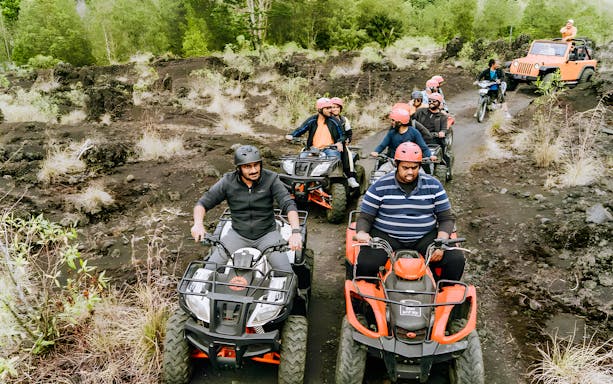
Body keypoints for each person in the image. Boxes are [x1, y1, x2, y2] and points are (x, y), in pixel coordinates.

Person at [354, 142, 465, 282]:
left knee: (456, 260)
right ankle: (370, 298)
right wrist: (362, 233)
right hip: (386, 237)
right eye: (405, 168)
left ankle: (441, 293)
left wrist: (441, 243)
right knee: (366, 264)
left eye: (414, 167)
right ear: (396, 164)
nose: (410, 172)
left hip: (424, 237)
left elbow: (446, 218)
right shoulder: (379, 186)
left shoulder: (434, 185)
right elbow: (365, 217)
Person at [191, 145, 303, 272]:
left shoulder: (271, 179)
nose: (254, 170)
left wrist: (295, 232)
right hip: (238, 234)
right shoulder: (228, 181)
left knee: (286, 274)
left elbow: (288, 204)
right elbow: (203, 203)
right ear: (238, 168)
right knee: (208, 270)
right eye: (247, 166)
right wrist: (198, 224)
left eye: (256, 165)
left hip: (267, 235)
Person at [370, 106, 435, 165]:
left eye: (393, 120)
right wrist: (376, 152)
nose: (391, 122)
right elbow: (382, 145)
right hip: (393, 162)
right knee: (379, 174)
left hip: (411, 162)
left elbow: (423, 147)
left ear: (399, 122)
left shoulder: (414, 132)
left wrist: (430, 156)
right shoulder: (391, 133)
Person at [330, 97, 360, 188]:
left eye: (337, 107)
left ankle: (350, 176)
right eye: (333, 107)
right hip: (328, 144)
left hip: (341, 144)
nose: (335, 109)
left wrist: (348, 139)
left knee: (348, 155)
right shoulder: (327, 119)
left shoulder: (344, 120)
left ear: (340, 108)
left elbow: (349, 133)